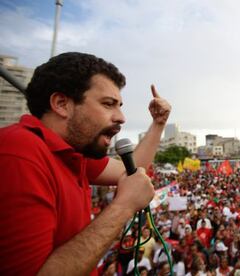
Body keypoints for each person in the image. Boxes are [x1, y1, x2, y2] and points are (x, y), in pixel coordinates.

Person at [0, 52, 171, 275]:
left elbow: (131, 170)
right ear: (61, 104)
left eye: (119, 105)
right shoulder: (18, 153)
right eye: (108, 104)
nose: (121, 117)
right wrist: (122, 207)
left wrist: (158, 124)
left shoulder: (71, 154)